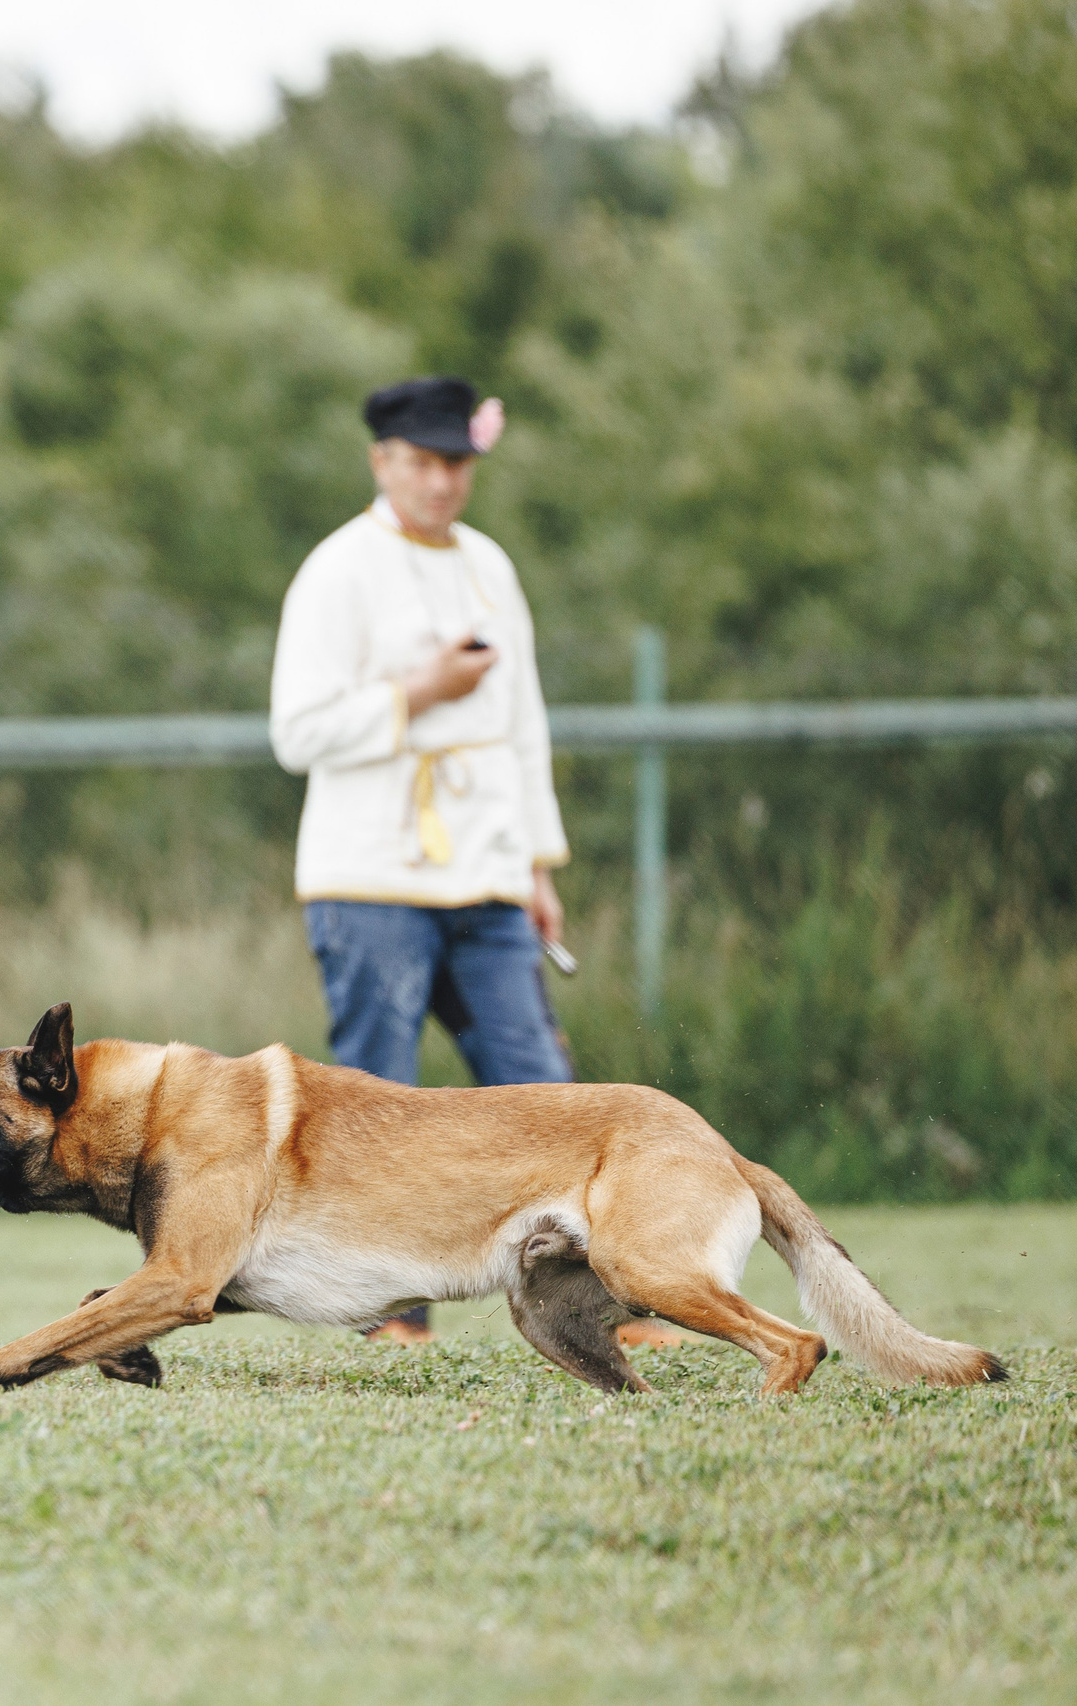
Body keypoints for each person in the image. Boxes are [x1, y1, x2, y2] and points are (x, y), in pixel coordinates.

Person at [268, 374, 678, 1349]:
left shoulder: (490, 564)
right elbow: (297, 730)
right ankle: (391, 1316)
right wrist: (417, 690)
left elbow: (521, 725)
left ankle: (603, 1305)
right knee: (375, 1100)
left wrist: (536, 864)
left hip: (486, 874)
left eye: (457, 463)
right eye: (423, 461)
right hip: (371, 874)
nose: (442, 481)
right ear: (383, 461)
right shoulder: (337, 569)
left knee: (539, 1085)